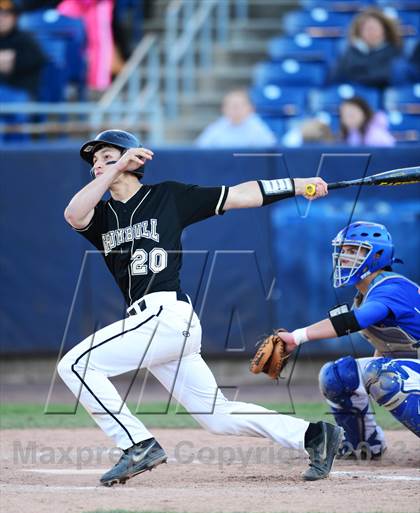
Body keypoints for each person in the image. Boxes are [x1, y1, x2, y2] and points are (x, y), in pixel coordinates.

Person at [57, 128, 343, 486]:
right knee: (218, 416)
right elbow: (73, 214)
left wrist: (300, 184)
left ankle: (136, 444)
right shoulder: (101, 217)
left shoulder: (168, 197)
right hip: (154, 324)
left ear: (132, 159)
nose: (97, 165)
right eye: (94, 162)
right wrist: (114, 169)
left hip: (166, 316)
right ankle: (314, 436)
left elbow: (242, 195)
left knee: (75, 365)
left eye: (106, 156)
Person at [277, 221, 419, 459]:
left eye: (354, 251)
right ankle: (363, 445)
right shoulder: (365, 295)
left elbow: (357, 320)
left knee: (386, 377)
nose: (344, 257)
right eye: (343, 250)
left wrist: (296, 337)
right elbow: (387, 351)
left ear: (377, 254)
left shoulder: (391, 287)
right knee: (338, 375)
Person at [330, 8, 403, 88]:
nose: (371, 32)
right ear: (359, 33)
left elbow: (386, 76)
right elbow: (336, 77)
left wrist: (358, 73)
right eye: (366, 29)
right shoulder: (350, 53)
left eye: (374, 28)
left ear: (384, 31)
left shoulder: (394, 52)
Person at [57, 0, 114, 93]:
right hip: (74, 6)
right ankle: (70, 82)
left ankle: (98, 85)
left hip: (97, 5)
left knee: (99, 44)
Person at [195, 89, 277, 148]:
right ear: (223, 109)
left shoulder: (258, 128)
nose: (234, 109)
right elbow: (200, 149)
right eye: (230, 106)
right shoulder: (217, 127)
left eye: (238, 106)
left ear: (250, 108)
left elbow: (269, 153)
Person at [0, 0, 46, 99]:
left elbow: (38, 60)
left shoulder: (25, 40)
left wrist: (13, 62)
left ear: (15, 18)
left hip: (19, 92)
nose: (1, 19)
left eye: (6, 15)